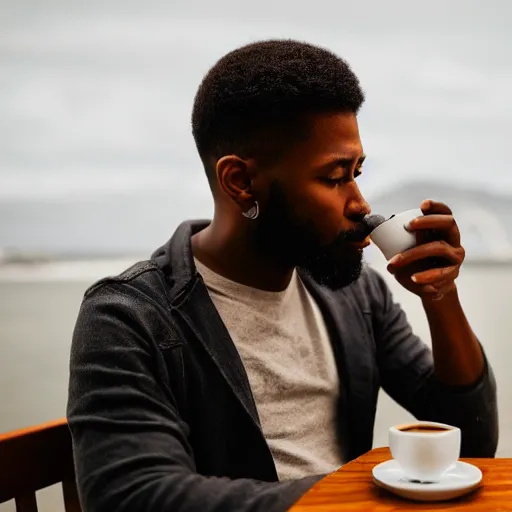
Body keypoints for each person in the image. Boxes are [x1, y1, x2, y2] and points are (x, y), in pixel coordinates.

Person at [67, 40, 498, 512]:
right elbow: (131, 496)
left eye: (357, 171)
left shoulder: (357, 295)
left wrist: (441, 295)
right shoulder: (128, 318)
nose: (360, 203)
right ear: (240, 182)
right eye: (335, 177)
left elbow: (472, 438)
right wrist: (357, 499)